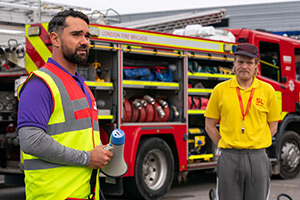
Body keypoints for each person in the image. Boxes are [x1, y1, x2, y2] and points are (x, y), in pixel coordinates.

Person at [17, 10, 113, 200]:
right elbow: (31, 141)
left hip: (84, 193)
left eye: (87, 36)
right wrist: (87, 158)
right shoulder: (40, 84)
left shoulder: (81, 85)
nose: (85, 41)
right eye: (76, 34)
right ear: (55, 39)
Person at [204, 43, 281, 200]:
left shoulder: (267, 91)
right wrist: (225, 143)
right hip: (229, 157)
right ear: (234, 63)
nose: (244, 66)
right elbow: (209, 125)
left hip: (258, 157)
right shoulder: (220, 90)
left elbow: (273, 125)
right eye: (240, 62)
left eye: (249, 62)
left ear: (256, 65)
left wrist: (256, 140)